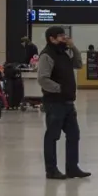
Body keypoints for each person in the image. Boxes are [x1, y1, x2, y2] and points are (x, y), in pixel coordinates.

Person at [37, 26, 89, 180]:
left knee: (74, 134)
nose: (64, 38)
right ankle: (51, 170)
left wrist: (73, 47)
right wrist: (60, 88)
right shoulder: (47, 55)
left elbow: (78, 64)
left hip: (67, 102)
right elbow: (43, 79)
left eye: (64, 35)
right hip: (54, 103)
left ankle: (72, 168)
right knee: (52, 136)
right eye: (60, 36)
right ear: (51, 39)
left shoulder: (64, 52)